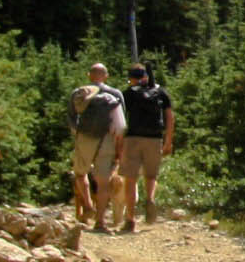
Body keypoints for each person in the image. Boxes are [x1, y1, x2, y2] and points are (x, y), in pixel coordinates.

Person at [115, 62, 175, 234]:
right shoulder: (161, 92)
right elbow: (170, 118)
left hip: (133, 138)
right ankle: (150, 199)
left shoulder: (128, 94)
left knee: (130, 179)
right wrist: (168, 141)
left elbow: (119, 119)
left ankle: (130, 219)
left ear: (131, 78)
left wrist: (118, 144)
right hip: (154, 138)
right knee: (151, 175)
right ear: (146, 76)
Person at [67, 62, 123, 232]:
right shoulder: (115, 94)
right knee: (104, 181)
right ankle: (100, 222)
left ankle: (88, 205)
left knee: (79, 173)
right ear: (106, 76)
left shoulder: (78, 93)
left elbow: (71, 118)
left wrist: (78, 135)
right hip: (106, 139)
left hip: (84, 137)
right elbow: (120, 124)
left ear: (89, 75)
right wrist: (118, 147)